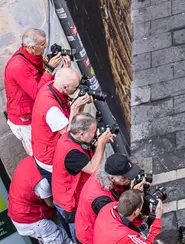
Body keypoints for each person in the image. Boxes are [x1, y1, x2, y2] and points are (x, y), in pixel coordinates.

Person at [4, 28, 70, 156]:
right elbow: (38, 93)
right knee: (41, 153)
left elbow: (44, 83)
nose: (46, 46)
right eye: (42, 45)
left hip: (36, 112)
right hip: (25, 121)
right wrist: (50, 68)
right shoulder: (18, 66)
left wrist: (62, 72)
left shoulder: (33, 56)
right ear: (31, 48)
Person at [51, 113, 114, 240]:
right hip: (69, 204)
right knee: (79, 234)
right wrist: (101, 143)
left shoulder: (69, 136)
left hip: (61, 196)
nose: (95, 134)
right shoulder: (71, 152)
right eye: (92, 133)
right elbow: (93, 168)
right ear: (81, 134)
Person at [31, 67, 92, 184]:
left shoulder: (51, 86)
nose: (76, 90)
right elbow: (69, 135)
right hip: (50, 159)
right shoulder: (51, 109)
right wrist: (75, 108)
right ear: (65, 88)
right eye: (75, 88)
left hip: (43, 148)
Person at [75, 154, 145, 244]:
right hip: (90, 237)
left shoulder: (105, 174)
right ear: (112, 178)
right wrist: (134, 194)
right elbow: (123, 219)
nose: (129, 179)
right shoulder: (101, 200)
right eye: (125, 177)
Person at [8, 156, 72, 244]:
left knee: (63, 237)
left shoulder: (29, 161)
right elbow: (51, 204)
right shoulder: (42, 182)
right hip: (30, 218)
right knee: (56, 238)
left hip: (19, 213)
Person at [93, 190, 164, 244]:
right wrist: (157, 218)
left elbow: (130, 221)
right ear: (136, 212)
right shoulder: (126, 236)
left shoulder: (107, 208)